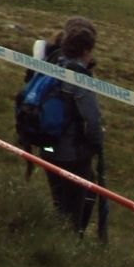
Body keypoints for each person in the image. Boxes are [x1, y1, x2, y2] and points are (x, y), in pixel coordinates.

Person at [37, 17, 104, 233]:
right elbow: (92, 119)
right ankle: (69, 243)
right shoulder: (78, 77)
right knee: (75, 206)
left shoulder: (52, 63)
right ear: (86, 50)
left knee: (59, 200)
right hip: (72, 154)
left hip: (47, 145)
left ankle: (56, 238)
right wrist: (96, 143)